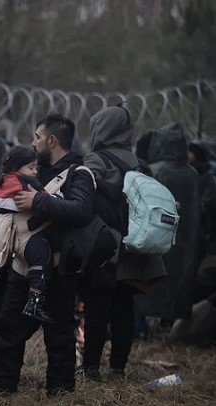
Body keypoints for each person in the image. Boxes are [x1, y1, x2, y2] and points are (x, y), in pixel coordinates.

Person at [0, 113, 95, 396]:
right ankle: (2, 387)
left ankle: (59, 394)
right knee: (9, 329)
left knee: (59, 336)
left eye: (37, 137)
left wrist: (38, 200)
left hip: (58, 271)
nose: (33, 143)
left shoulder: (79, 174)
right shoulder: (32, 171)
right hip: (21, 267)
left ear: (51, 140)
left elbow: (80, 211)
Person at [79, 105, 166, 381]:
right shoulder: (141, 163)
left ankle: (91, 368)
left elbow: (87, 195)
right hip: (134, 250)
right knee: (124, 311)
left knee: (96, 309)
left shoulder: (97, 159)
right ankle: (118, 369)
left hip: (105, 247)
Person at [133, 123, 200, 326]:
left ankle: (143, 332)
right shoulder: (192, 174)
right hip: (184, 243)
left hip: (155, 242)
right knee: (175, 288)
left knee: (147, 290)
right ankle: (166, 328)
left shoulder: (153, 171)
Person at [0, 145, 54, 323]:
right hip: (30, 237)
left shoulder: (3, 181)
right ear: (17, 167)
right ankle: (35, 301)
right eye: (30, 167)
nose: (34, 171)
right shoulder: (28, 183)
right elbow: (45, 202)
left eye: (36, 167)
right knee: (42, 260)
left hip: (10, 239)